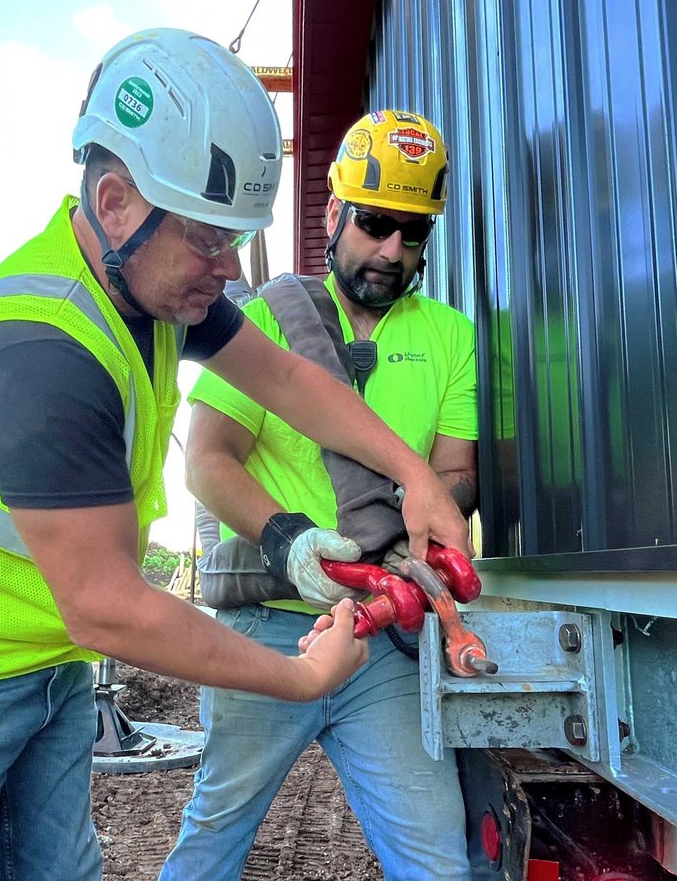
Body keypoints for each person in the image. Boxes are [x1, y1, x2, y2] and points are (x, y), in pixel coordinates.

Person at [0, 31, 468, 881]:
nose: (228, 267)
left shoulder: (153, 283)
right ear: (117, 200)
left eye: (237, 238)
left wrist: (416, 475)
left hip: (40, 664)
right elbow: (108, 606)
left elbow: (288, 380)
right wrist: (299, 678)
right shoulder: (41, 356)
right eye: (208, 239)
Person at [160, 109, 479, 881]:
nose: (391, 251)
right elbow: (207, 459)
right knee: (211, 846)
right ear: (334, 213)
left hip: (381, 646)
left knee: (439, 860)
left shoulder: (450, 334)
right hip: (267, 627)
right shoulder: (267, 316)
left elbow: (456, 473)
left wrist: (432, 509)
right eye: (374, 224)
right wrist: (287, 537)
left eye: (412, 234)